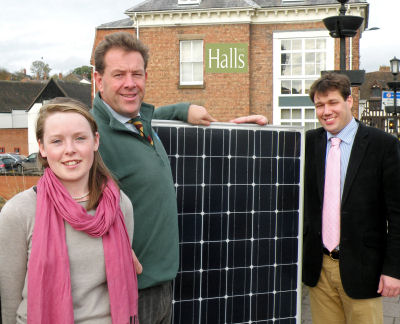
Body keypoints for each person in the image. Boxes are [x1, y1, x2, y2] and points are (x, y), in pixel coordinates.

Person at [92, 31, 267, 324]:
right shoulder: (91, 136)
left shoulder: (140, 125)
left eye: (137, 73)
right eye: (118, 74)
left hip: (161, 287)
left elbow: (147, 116)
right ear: (99, 80)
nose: (130, 83)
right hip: (126, 293)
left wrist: (235, 131)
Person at [0, 97, 138, 324]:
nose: (70, 150)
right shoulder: (18, 212)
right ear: (42, 148)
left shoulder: (120, 205)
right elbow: (9, 302)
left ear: (95, 141)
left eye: (80, 138)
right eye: (57, 141)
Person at [302, 72, 400, 324]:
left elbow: (397, 213)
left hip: (364, 269)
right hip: (319, 269)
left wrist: (393, 270)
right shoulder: (306, 144)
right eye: (319, 105)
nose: (326, 111)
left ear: (349, 101)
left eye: (332, 102)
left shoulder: (383, 145)